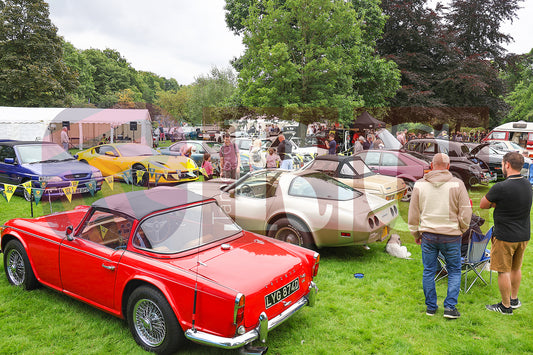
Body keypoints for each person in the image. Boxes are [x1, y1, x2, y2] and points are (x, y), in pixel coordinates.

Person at [408, 153, 472, 319]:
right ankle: (450, 307)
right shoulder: (457, 184)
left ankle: (431, 307)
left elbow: (413, 213)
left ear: (432, 164)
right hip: (451, 235)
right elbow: (466, 211)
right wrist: (462, 228)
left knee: (429, 271)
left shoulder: (420, 185)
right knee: (454, 271)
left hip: (428, 235)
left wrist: (415, 232)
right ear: (448, 166)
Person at [480, 152, 532, 314]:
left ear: (507, 165)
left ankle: (505, 306)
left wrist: (496, 203)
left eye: (503, 164)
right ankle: (514, 299)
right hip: (523, 235)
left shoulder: (500, 187)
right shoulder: (528, 185)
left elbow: (483, 204)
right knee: (516, 268)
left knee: (503, 271)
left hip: (505, 236)